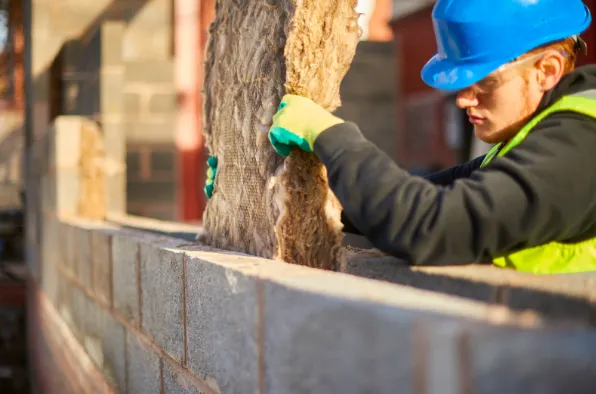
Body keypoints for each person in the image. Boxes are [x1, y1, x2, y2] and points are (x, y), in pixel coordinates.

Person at [207, 0, 596, 274]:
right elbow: (420, 196)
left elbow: (427, 225)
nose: (463, 99)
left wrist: (332, 136)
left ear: (546, 70)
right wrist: (280, 194)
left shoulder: (581, 145)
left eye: (484, 82)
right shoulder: (542, 134)